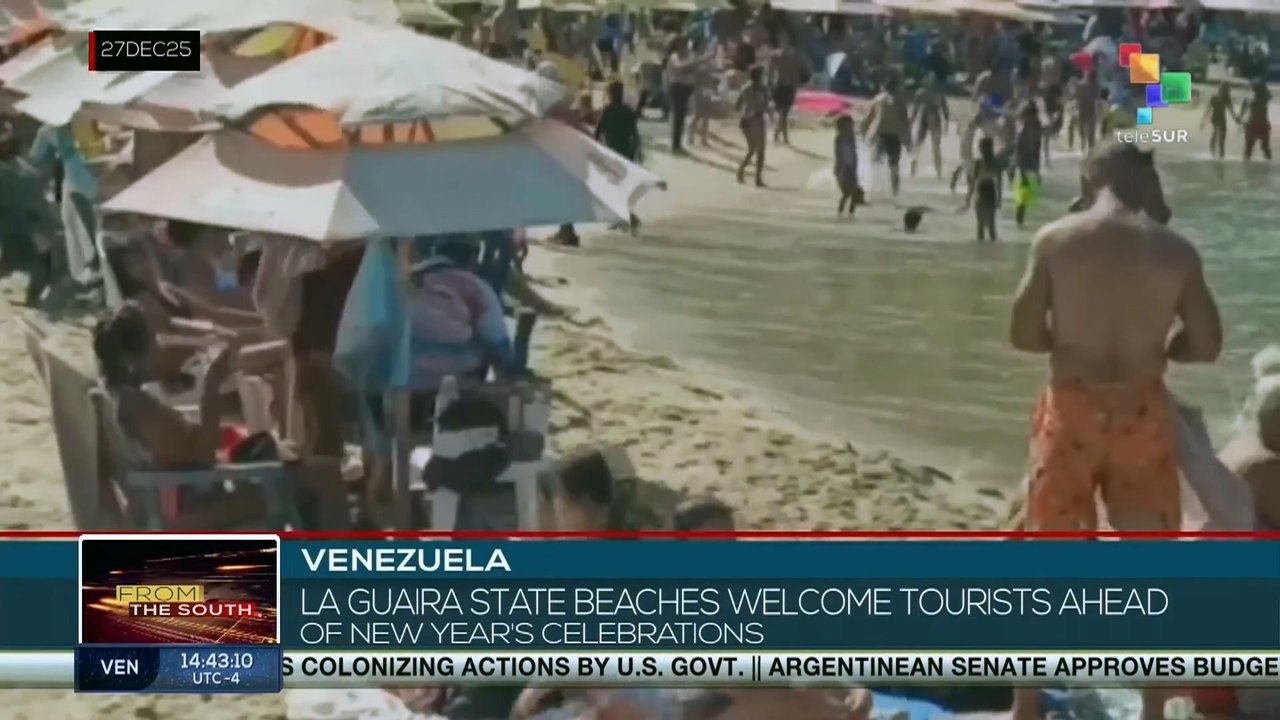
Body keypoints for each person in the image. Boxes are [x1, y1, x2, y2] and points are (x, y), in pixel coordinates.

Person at [1007, 142, 1219, 720]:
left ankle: (1026, 708)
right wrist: (1161, 345)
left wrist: (1070, 344)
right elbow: (1207, 344)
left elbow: (1023, 333)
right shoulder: (1174, 250)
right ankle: (1152, 713)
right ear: (1146, 184)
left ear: (1088, 178)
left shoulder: (1057, 239)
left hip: (1071, 409)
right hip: (1142, 414)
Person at [93, 302, 235, 470]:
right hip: (218, 482)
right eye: (157, 342)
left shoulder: (126, 398)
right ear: (131, 361)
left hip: (214, 468)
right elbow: (205, 457)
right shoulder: (139, 412)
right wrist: (211, 384)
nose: (167, 345)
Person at [595, 80, 643, 234]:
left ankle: (627, 218)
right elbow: (635, 135)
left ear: (609, 94)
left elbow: (597, 133)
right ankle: (624, 217)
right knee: (622, 187)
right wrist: (637, 153)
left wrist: (597, 151)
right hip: (626, 153)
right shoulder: (628, 111)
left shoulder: (607, 111)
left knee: (613, 187)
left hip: (611, 153)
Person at [860, 77, 910, 196]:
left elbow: (868, 118)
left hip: (879, 134)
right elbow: (905, 122)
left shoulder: (877, 100)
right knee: (894, 165)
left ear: (884, 88)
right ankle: (895, 191)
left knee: (875, 163)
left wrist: (863, 133)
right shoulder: (900, 101)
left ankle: (875, 188)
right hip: (894, 135)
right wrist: (908, 139)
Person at [665, 35, 704, 154]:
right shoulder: (674, 57)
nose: (685, 48)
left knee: (683, 115)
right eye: (682, 45)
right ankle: (675, 145)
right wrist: (700, 61)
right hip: (678, 88)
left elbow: (695, 69)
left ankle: (678, 142)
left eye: (685, 45)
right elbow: (683, 68)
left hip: (688, 87)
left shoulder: (691, 55)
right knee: (678, 116)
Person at [735, 64, 770, 187]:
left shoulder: (754, 88)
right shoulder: (753, 89)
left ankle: (749, 175)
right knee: (756, 150)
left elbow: (737, 106)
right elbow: (738, 105)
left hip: (753, 120)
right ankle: (750, 175)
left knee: (756, 151)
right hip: (753, 120)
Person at [769, 34, 806, 145]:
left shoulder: (784, 57)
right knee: (783, 114)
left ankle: (779, 135)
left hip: (785, 86)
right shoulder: (782, 57)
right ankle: (781, 136)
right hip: (782, 86)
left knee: (783, 114)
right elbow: (771, 71)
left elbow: (796, 74)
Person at [963, 136, 1002, 242]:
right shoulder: (996, 162)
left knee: (980, 225)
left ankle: (981, 250)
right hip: (991, 191)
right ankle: (993, 253)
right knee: (991, 225)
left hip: (981, 190)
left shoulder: (979, 163)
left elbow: (973, 182)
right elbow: (999, 182)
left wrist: (968, 199)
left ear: (981, 148)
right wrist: (999, 199)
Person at [909, 77, 949, 179]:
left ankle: (913, 170)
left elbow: (915, 109)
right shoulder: (938, 93)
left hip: (925, 116)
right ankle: (938, 171)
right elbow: (945, 109)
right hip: (933, 116)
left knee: (919, 144)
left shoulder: (921, 92)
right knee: (935, 146)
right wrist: (946, 122)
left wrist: (911, 121)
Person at [1013, 101, 1043, 228]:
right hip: (1023, 160)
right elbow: (1018, 149)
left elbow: (1037, 147)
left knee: (1031, 191)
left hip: (1032, 159)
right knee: (1024, 191)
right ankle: (1019, 219)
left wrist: (1037, 169)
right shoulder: (1022, 130)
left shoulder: (1037, 125)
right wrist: (1021, 169)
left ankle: (1021, 218)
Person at [833, 115, 863, 217]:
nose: (849, 129)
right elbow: (838, 154)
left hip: (852, 168)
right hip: (843, 168)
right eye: (847, 127)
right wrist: (838, 170)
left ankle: (851, 213)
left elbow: (854, 153)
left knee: (853, 193)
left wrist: (856, 167)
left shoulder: (851, 138)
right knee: (847, 193)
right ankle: (840, 212)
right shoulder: (838, 139)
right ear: (840, 128)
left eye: (851, 127)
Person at [1201, 82, 1236, 160]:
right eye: (1225, 89)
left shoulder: (1225, 99)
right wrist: (1203, 121)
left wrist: (1236, 119)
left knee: (1220, 137)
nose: (1225, 91)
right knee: (1216, 135)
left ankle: (1220, 154)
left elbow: (1231, 111)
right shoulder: (1216, 98)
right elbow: (1208, 110)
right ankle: (1215, 153)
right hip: (1216, 118)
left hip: (1220, 118)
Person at [1239, 78, 1272, 162]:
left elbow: (1243, 110)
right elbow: (1269, 96)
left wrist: (1240, 119)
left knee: (1248, 149)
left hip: (1253, 124)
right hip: (1262, 124)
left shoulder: (1251, 98)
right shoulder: (1264, 97)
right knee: (1265, 149)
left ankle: (1246, 168)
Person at [1072, 70, 1099, 151]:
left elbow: (1076, 96)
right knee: (1089, 129)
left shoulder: (1081, 85)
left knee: (1083, 127)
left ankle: (1085, 144)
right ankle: (1088, 145)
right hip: (1089, 108)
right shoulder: (1094, 86)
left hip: (1084, 108)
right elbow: (1096, 96)